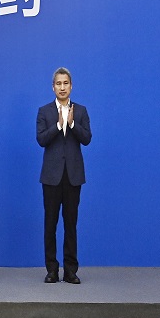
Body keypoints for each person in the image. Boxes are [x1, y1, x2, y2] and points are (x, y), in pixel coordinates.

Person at [37, 67, 92, 284]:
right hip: (51, 177)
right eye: (58, 84)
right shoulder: (44, 111)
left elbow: (87, 138)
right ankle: (51, 270)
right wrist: (59, 125)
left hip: (73, 177)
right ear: (53, 87)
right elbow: (41, 139)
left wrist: (72, 124)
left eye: (65, 83)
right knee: (50, 225)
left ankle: (70, 271)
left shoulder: (81, 111)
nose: (62, 87)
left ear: (71, 86)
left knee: (71, 225)